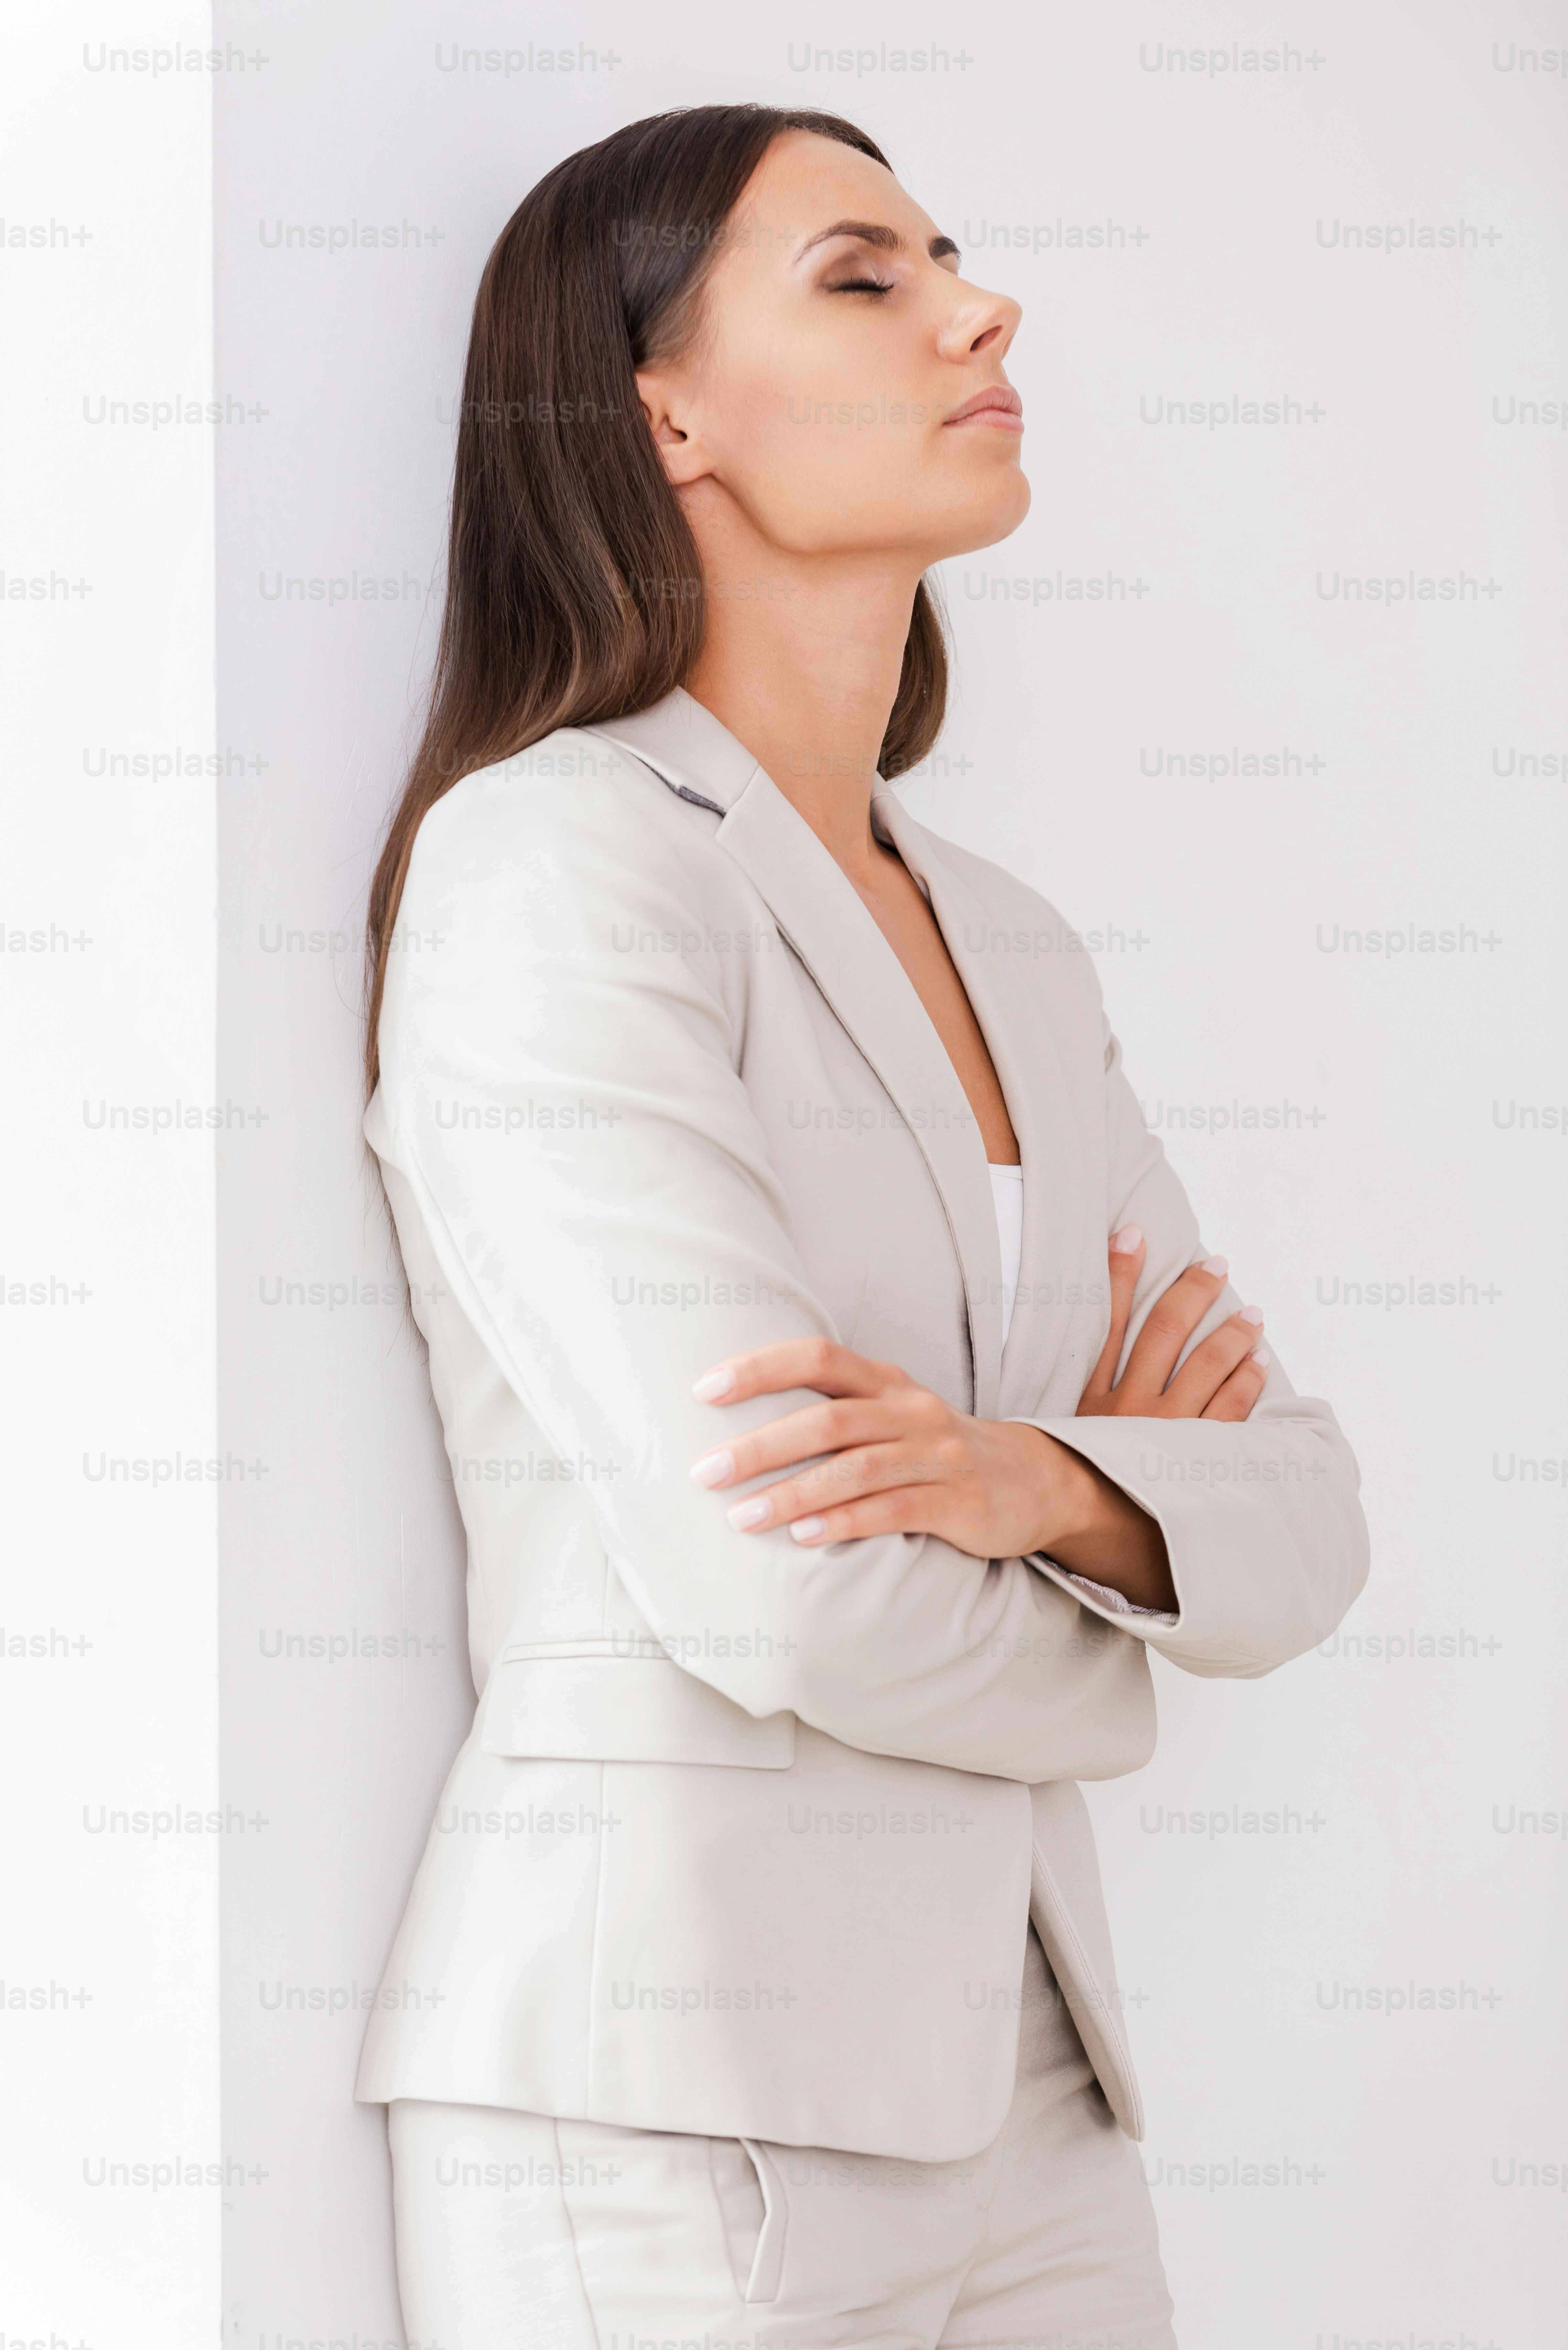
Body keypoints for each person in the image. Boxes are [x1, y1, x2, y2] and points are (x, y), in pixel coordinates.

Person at [356, 102, 1369, 2348]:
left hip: (1037, 2093)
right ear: (660, 412)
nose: (975, 308)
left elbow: (1297, 1509)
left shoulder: (1006, 935)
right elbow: (781, 1597)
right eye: (862, 276)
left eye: (950, 259)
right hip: (669, 2104)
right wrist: (1124, 1607)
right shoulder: (560, 864)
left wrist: (1024, 1478)